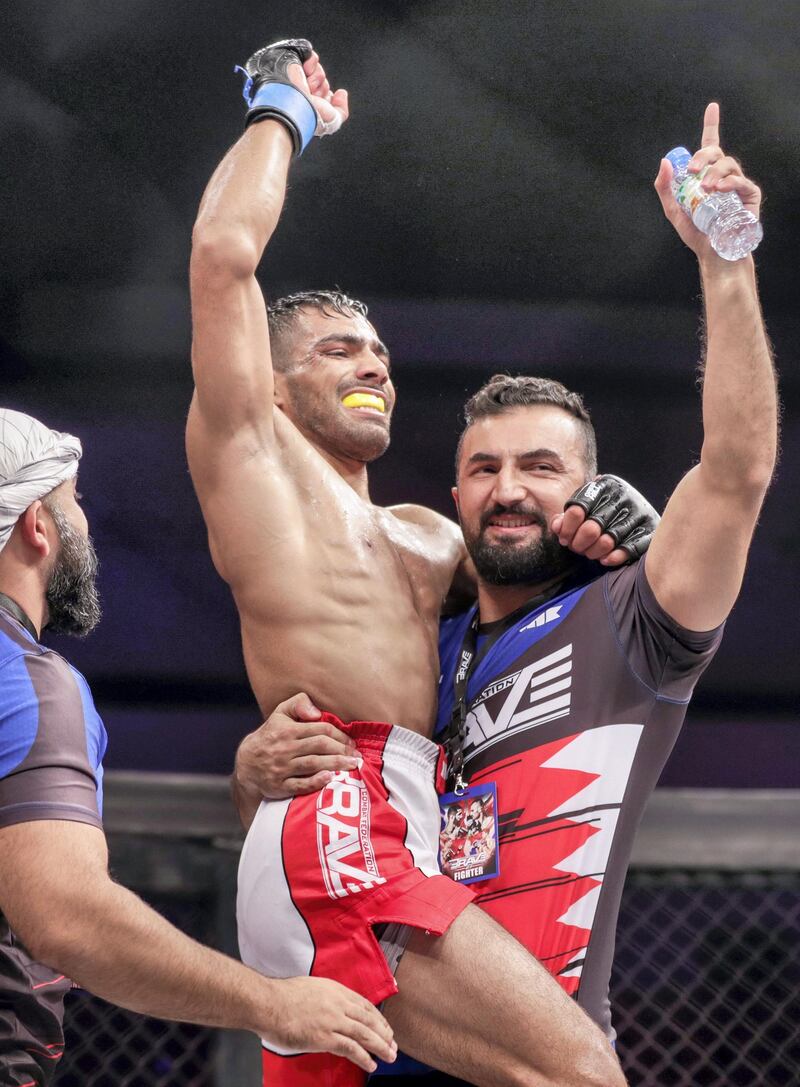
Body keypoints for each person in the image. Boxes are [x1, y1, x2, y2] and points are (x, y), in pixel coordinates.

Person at [239, 102, 778, 1082]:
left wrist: (723, 262)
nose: (508, 487)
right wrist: (256, 764)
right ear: (452, 498)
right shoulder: (409, 639)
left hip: (533, 1044)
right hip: (378, 1042)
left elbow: (735, 472)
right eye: (482, 468)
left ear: (586, 490)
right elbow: (312, 823)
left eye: (539, 466)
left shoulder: (629, 623)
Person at [188, 35, 641, 1087]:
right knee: (577, 1072)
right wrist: (280, 113)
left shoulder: (430, 536)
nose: (373, 365)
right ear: (274, 379)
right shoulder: (255, 461)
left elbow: (542, 578)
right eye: (339, 350)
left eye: (380, 351)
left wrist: (623, 525)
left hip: (407, 813)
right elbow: (222, 256)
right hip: (343, 820)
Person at [0, 409, 396, 1086]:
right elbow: (67, 917)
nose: (85, 524)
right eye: (75, 501)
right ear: (38, 524)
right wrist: (274, 1003)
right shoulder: (23, 679)